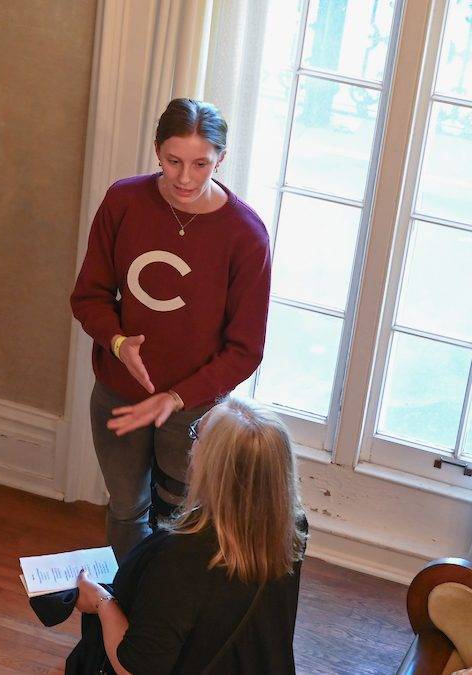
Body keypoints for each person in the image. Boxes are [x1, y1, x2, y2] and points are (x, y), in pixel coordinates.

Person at [69, 98, 271, 560]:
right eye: (173, 161)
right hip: (120, 392)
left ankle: (164, 613)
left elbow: (245, 349)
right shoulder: (123, 201)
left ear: (222, 159)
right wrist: (118, 343)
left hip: (193, 407)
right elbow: (88, 296)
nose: (185, 178)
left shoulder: (244, 234)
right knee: (125, 508)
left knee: (181, 520)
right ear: (156, 150)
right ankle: (127, 608)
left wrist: (174, 398)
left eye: (201, 164)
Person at [33, 397, 309, 674]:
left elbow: (134, 669)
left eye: (196, 436)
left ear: (214, 467)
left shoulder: (182, 558)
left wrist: (101, 602)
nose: (191, 449)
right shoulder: (291, 526)